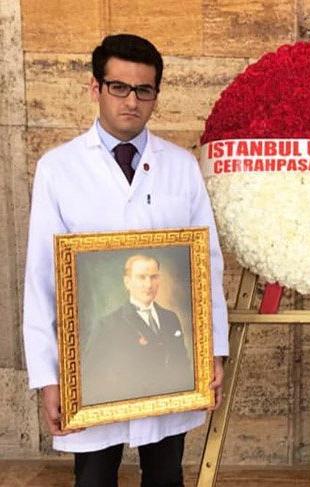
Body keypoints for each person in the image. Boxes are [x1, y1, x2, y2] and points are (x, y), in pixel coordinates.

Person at [22, 34, 229, 487]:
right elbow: (41, 278)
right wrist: (49, 376)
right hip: (93, 372)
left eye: (144, 90)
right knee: (94, 478)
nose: (131, 101)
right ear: (95, 88)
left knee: (165, 475)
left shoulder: (181, 165)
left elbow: (207, 266)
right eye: (119, 87)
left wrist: (212, 350)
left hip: (169, 372)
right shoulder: (59, 168)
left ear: (156, 95)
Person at [82, 255, 193, 406]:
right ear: (127, 282)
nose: (149, 285)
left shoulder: (171, 318)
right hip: (129, 409)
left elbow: (182, 365)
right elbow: (92, 377)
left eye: (153, 277)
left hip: (172, 406)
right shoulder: (107, 325)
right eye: (141, 277)